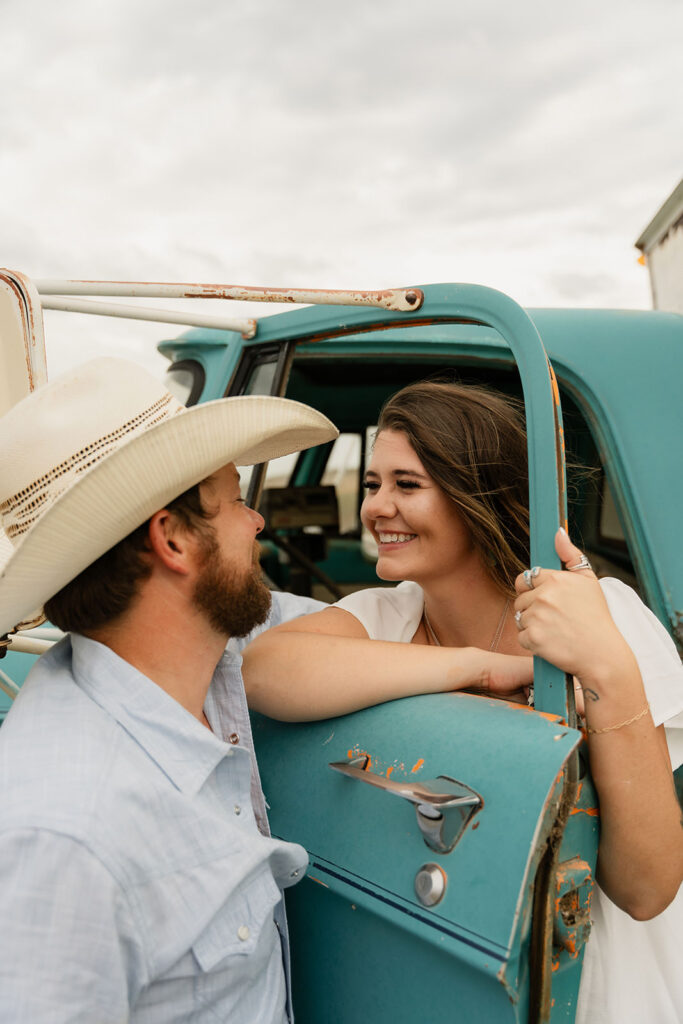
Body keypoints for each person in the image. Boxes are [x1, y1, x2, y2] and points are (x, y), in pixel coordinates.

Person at [242, 380, 683, 1024]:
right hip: (452, 970)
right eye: (372, 484)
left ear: (482, 498)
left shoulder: (601, 614)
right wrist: (481, 669)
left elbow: (645, 887)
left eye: (407, 485)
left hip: (599, 982)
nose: (377, 507)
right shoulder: (384, 615)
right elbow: (265, 670)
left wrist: (608, 666)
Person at [0, 357, 337, 1023]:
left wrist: (477, 660)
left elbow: (348, 623)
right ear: (174, 538)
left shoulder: (199, 661)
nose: (257, 523)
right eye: (237, 498)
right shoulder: (65, 834)